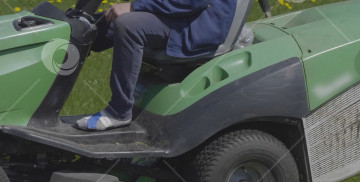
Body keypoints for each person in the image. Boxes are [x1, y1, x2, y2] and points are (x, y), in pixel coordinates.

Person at [76, 0, 239, 131]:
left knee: (128, 25)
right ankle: (52, 104)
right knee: (88, 29)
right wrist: (79, 16)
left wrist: (135, 6)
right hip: (181, 15)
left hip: (197, 25)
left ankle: (118, 111)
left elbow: (192, 3)